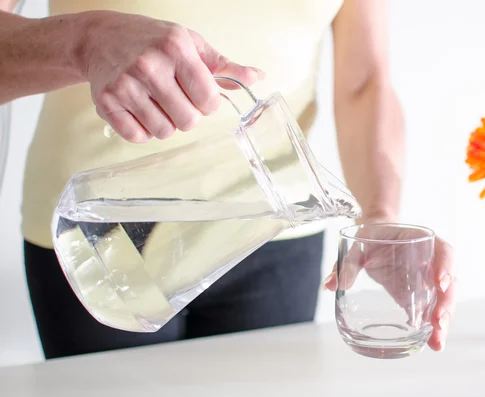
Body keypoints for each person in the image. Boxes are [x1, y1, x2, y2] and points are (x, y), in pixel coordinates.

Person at [0, 0, 455, 359]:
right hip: (103, 231)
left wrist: (378, 213)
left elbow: (364, 81)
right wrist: (83, 42)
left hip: (279, 235)